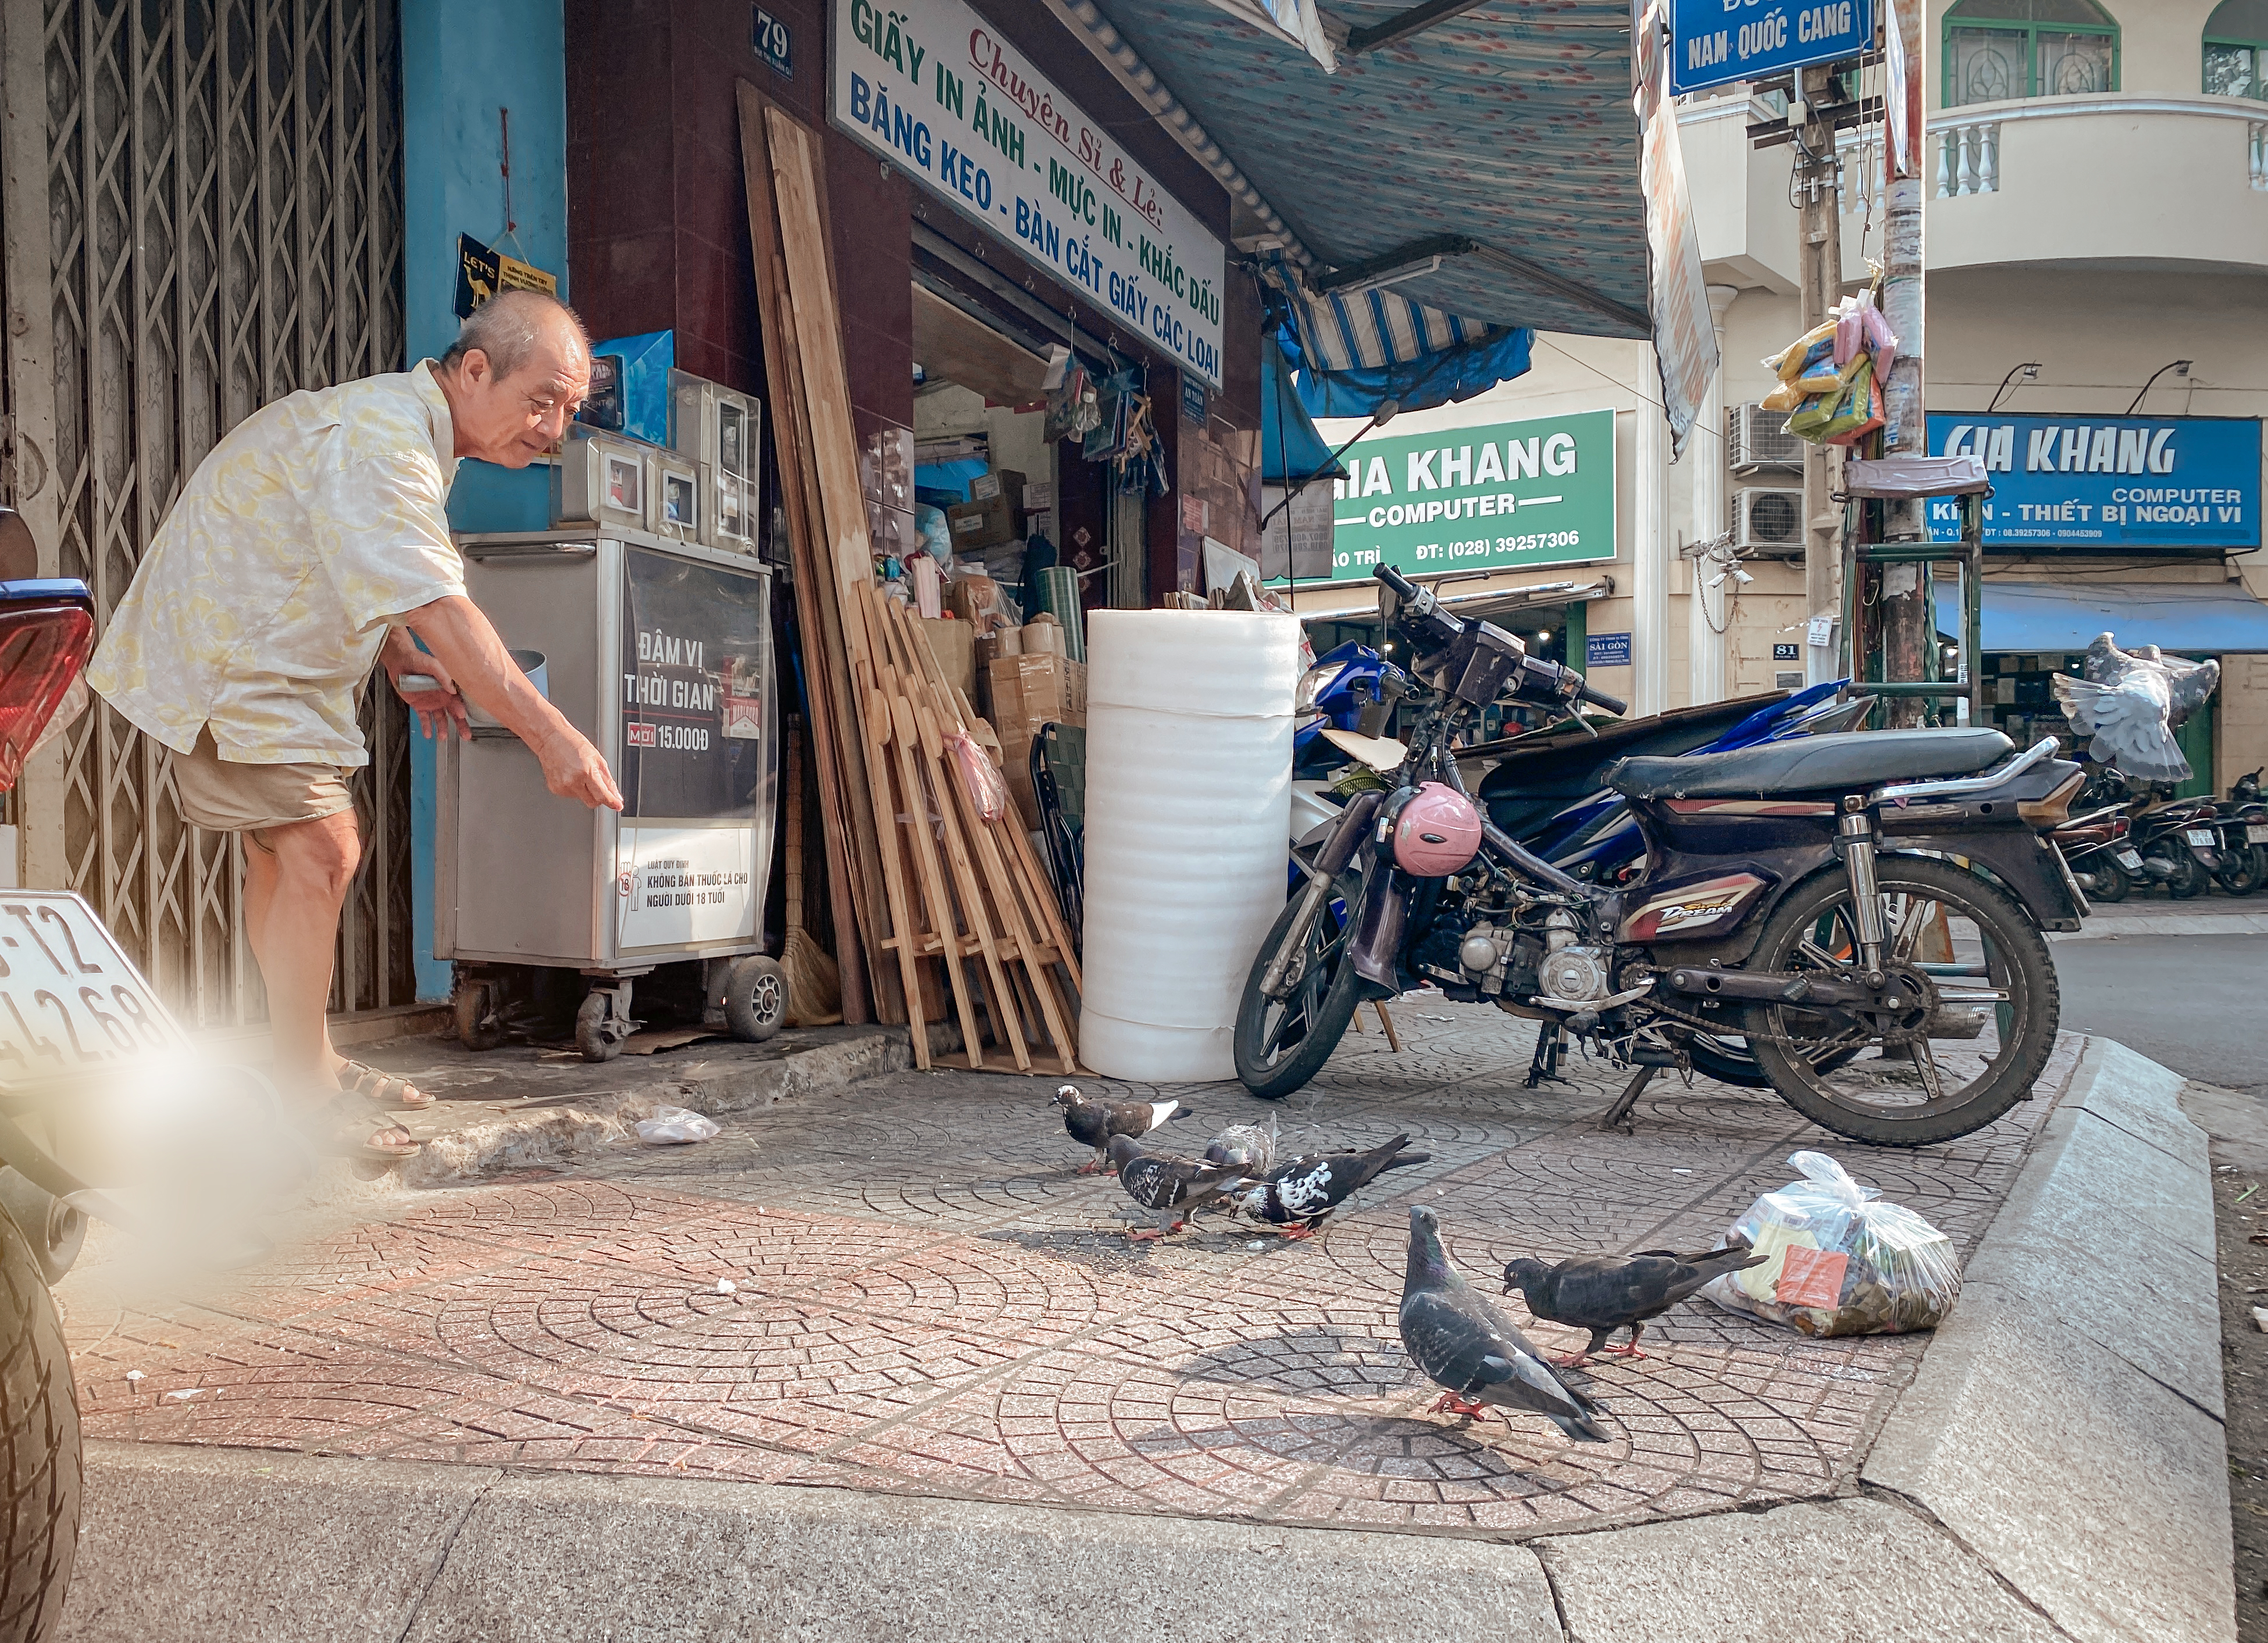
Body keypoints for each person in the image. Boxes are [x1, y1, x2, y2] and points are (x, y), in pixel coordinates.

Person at [87, 291, 623, 1162]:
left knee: (287, 854)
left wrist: (398, 656)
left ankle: (307, 1060)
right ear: (475, 369)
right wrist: (552, 735)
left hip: (267, 659)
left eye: (567, 410)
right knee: (323, 850)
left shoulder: (411, 434)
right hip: (239, 654)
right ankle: (303, 1091)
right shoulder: (385, 439)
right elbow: (449, 610)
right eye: (541, 401)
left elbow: (346, 557)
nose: (554, 428)